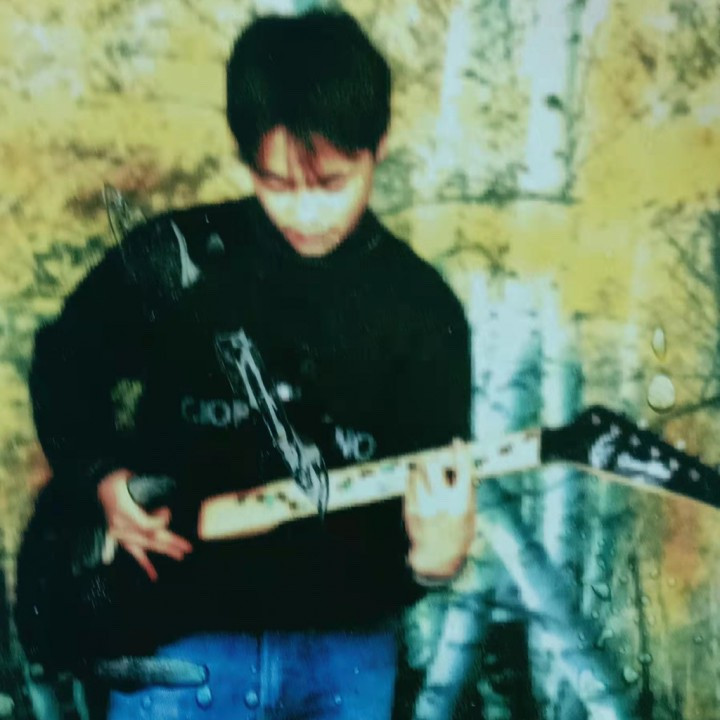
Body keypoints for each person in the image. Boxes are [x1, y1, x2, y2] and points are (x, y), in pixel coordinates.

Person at [24, 10, 474, 720]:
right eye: (277, 183)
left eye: (331, 183)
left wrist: (437, 559)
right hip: (175, 641)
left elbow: (425, 521)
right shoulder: (178, 258)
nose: (305, 212)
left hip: (347, 656)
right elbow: (65, 364)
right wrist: (103, 478)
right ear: (245, 158)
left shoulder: (422, 311)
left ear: (378, 147)